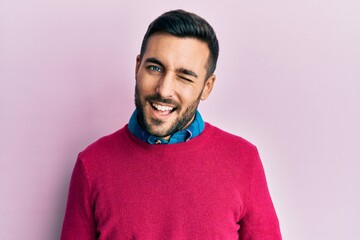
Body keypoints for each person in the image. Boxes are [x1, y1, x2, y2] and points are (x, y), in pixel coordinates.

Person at [61, 9, 282, 240]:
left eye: (185, 77)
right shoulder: (92, 164)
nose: (164, 90)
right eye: (155, 68)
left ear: (207, 87)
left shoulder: (243, 160)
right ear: (138, 67)